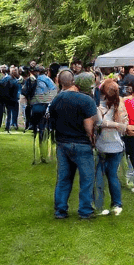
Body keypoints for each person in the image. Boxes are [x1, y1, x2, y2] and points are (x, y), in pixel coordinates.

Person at [47, 70, 98, 219]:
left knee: (63, 178)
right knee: (87, 179)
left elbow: (53, 120)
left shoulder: (57, 99)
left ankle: (60, 210)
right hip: (81, 143)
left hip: (62, 143)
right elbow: (88, 125)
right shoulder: (86, 100)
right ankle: (85, 211)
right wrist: (92, 138)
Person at [94, 79, 127, 216]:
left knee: (99, 175)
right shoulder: (120, 106)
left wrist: (106, 123)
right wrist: (116, 125)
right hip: (116, 145)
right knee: (112, 175)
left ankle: (99, 204)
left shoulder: (98, 107)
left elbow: (97, 124)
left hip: (102, 145)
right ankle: (116, 203)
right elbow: (124, 127)